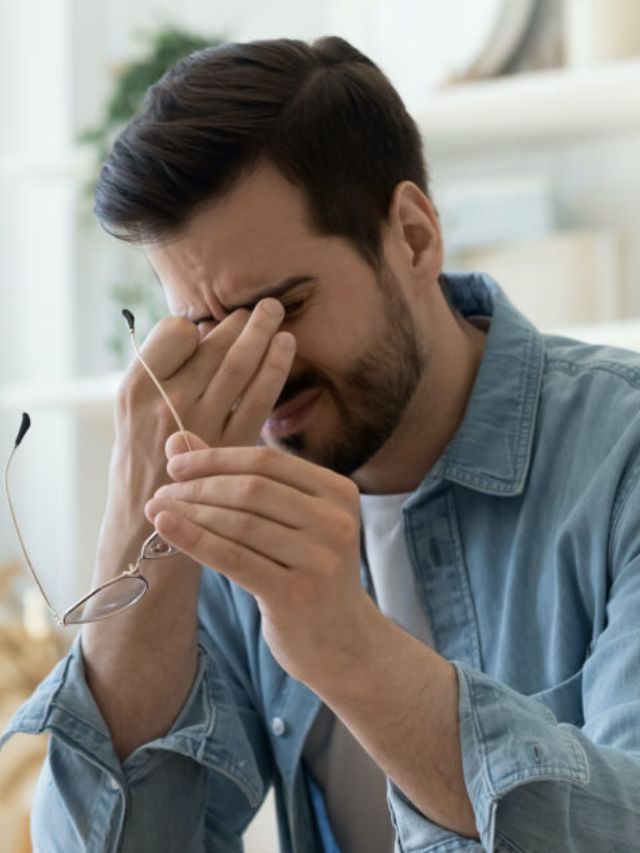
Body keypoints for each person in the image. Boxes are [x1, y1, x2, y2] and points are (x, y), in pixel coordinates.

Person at [3, 35, 640, 852]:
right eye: (207, 328)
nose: (257, 369)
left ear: (412, 235)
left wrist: (345, 645)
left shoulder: (619, 460)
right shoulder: (229, 504)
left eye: (285, 307)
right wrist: (137, 540)